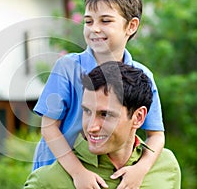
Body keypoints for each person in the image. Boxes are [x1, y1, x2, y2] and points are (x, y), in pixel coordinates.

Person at [32, 0, 165, 188]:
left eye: (105, 21)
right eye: (88, 21)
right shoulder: (68, 67)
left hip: (105, 175)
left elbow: (156, 134)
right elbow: (49, 127)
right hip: (60, 175)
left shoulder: (141, 75)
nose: (94, 28)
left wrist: (141, 168)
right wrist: (78, 173)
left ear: (131, 26)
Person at [25, 61, 181, 189]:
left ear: (138, 117)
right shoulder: (46, 181)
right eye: (87, 111)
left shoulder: (166, 166)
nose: (91, 127)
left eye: (105, 114)